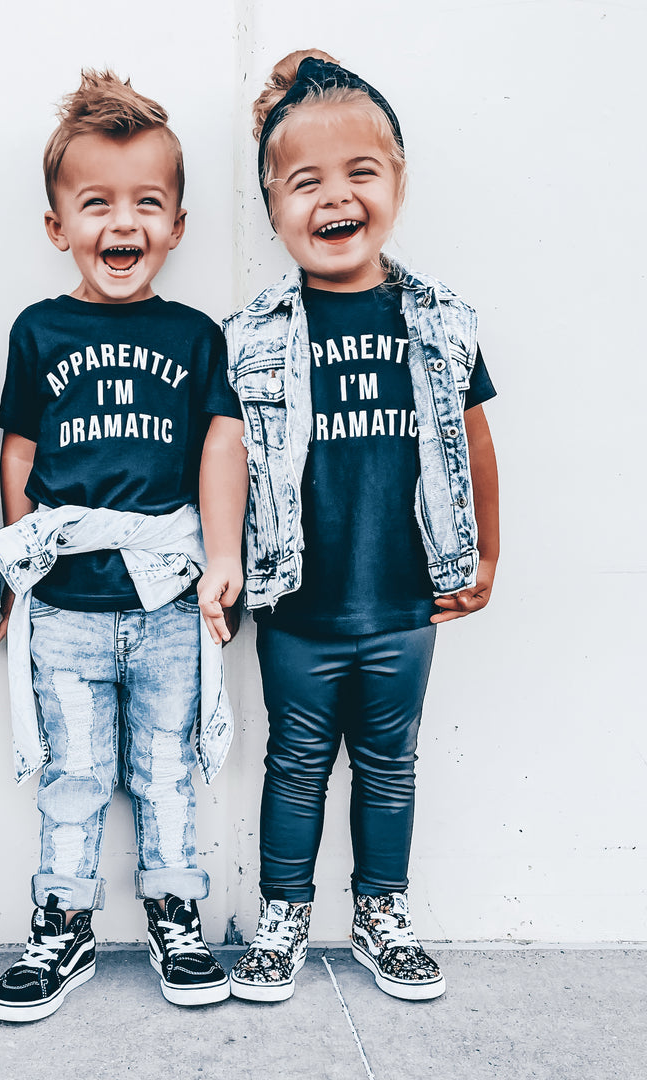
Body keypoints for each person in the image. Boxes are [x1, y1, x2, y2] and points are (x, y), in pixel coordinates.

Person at [199, 50, 499, 1003]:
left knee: (390, 765)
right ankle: (284, 916)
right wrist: (221, 558)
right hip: (298, 603)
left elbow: (473, 439)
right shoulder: (249, 335)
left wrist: (486, 552)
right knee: (293, 763)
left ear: (397, 184)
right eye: (305, 182)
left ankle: (382, 911)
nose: (336, 198)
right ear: (274, 205)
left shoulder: (442, 322)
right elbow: (228, 452)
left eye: (359, 173)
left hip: (405, 598)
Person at [0, 70, 242, 1022]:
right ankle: (65, 921)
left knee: (165, 767)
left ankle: (176, 910)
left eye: (146, 203)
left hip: (169, 603)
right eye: (96, 204)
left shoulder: (193, 335)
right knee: (76, 771)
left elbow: (222, 440)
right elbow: (19, 450)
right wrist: (18, 576)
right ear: (59, 226)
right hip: (68, 606)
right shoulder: (39, 330)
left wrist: (223, 558)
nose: (121, 224)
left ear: (177, 224)